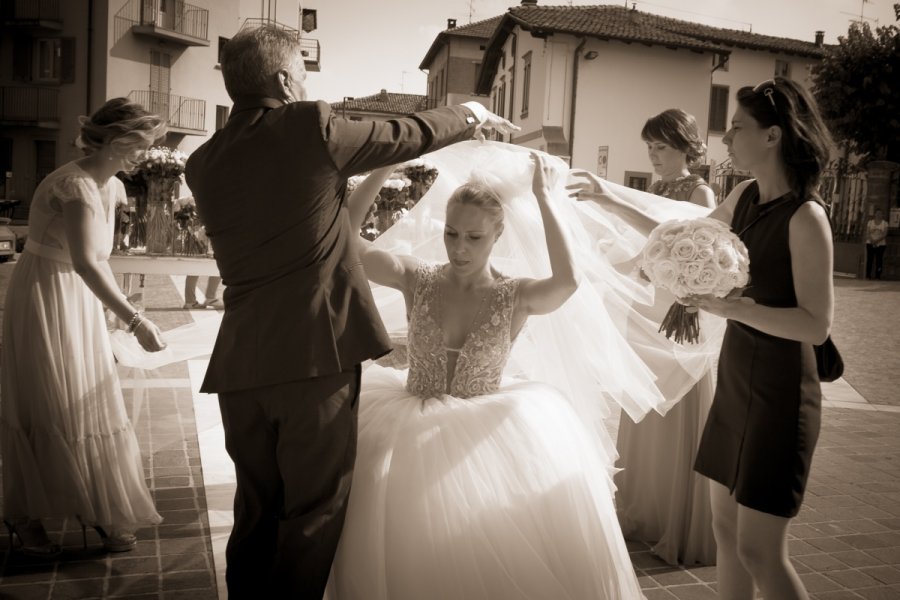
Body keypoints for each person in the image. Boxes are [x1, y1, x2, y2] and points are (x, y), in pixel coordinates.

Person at [183, 24, 517, 598]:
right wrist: (471, 111)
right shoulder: (308, 126)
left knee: (257, 510)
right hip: (313, 359)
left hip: (239, 363)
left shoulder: (203, 161)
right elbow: (407, 130)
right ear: (287, 80)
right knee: (312, 514)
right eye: (305, 75)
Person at [325, 147, 646, 599]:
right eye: (451, 233)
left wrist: (545, 199)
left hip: (489, 440)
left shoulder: (515, 295)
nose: (459, 248)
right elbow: (344, 239)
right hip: (406, 425)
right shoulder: (417, 277)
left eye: (474, 238)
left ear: (498, 233)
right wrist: (382, 168)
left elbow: (568, 282)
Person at [1, 98, 167, 556]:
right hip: (48, 294)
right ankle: (23, 514)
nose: (147, 154)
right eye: (141, 144)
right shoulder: (74, 186)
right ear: (117, 141)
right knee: (48, 401)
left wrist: (116, 313)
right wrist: (136, 323)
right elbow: (84, 264)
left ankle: (100, 508)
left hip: (76, 296)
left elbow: (99, 262)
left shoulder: (110, 186)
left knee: (86, 398)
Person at [689, 77, 834, 599]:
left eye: (736, 127)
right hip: (736, 379)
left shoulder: (807, 216)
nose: (726, 138)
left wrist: (734, 308)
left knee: (759, 550)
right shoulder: (744, 194)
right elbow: (688, 233)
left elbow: (816, 325)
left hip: (781, 393)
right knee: (725, 532)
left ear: (772, 136)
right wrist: (605, 200)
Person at [614, 108, 717, 566]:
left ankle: (676, 516)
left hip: (681, 312)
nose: (654, 156)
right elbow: (651, 248)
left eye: (661, 147)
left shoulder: (699, 190)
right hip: (652, 306)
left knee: (677, 403)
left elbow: (701, 253)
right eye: (650, 148)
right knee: (644, 404)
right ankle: (647, 509)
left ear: (684, 147)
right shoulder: (656, 189)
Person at [865, 208, 888, 279]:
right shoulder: (870, 222)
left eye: (880, 214)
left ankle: (878, 275)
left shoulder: (885, 223)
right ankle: (868, 275)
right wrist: (872, 241)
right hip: (870, 243)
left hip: (881, 244)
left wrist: (877, 241)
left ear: (882, 215)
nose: (878, 215)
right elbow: (868, 233)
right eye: (877, 213)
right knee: (870, 259)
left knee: (879, 260)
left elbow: (884, 234)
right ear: (875, 214)